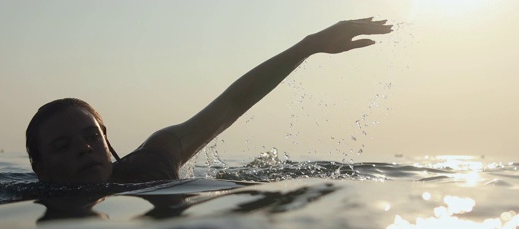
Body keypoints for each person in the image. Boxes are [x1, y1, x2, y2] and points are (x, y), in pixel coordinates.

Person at [26, 18, 392, 184]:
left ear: (107, 142)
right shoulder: (23, 204)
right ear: (39, 168)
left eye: (92, 137)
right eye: (62, 146)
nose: (84, 149)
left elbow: (233, 104)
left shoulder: (153, 163)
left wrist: (309, 45)